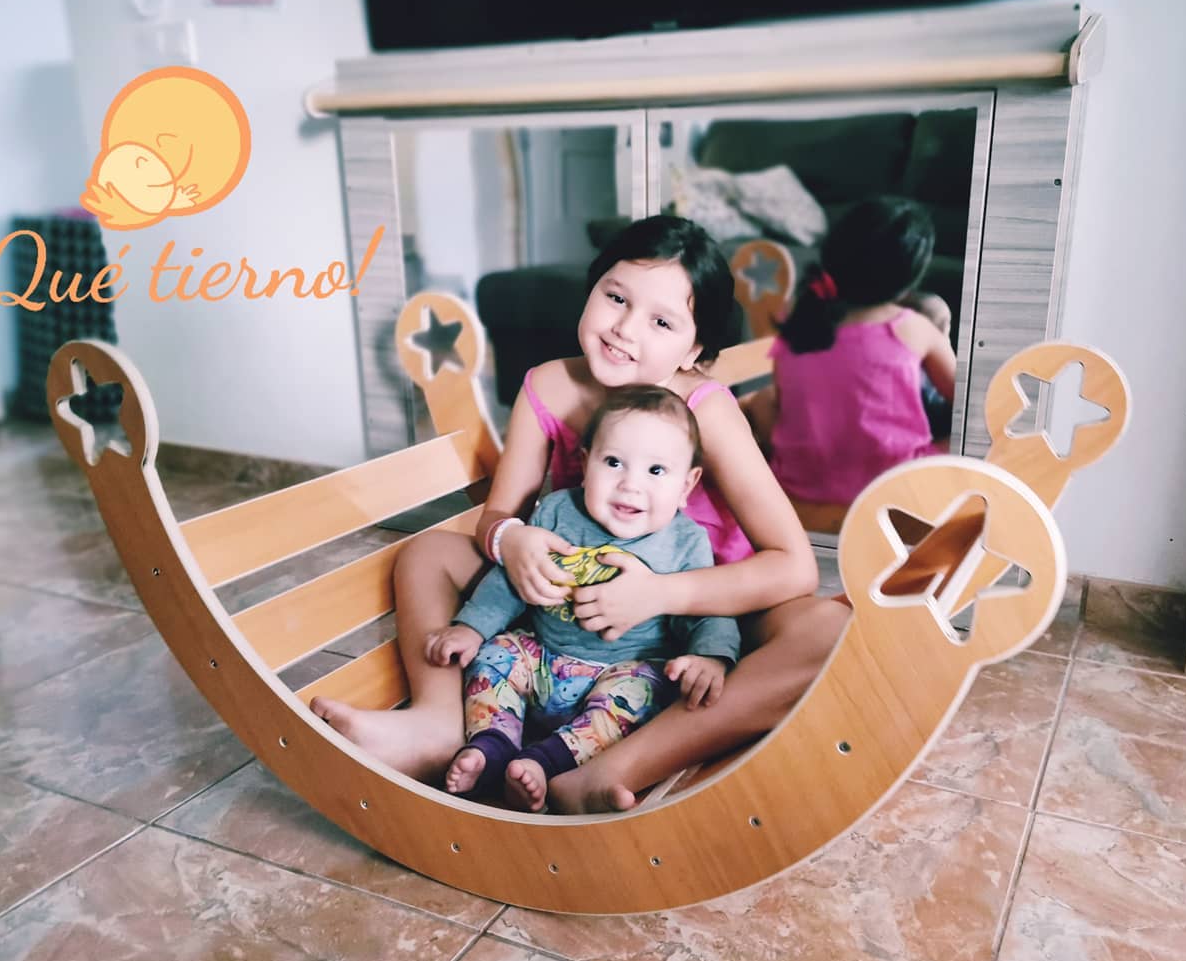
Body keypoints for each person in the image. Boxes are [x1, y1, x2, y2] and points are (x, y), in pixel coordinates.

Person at [311, 215, 848, 813]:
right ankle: (436, 723)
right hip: (570, 613)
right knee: (428, 553)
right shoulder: (548, 386)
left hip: (702, 617)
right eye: (616, 297)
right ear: (592, 289)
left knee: (829, 633)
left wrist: (659, 595)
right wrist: (511, 540)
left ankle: (613, 768)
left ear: (694, 349)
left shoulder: (705, 410)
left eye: (662, 322)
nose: (625, 328)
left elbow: (795, 566)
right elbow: (500, 514)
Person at [430, 386, 740, 812]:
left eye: (656, 470)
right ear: (584, 463)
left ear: (687, 484)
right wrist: (471, 627)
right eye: (613, 462)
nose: (631, 485)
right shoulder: (557, 512)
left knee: (644, 692)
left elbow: (706, 608)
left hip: (621, 670)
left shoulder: (685, 542)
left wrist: (710, 656)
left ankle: (546, 763)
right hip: (542, 658)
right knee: (497, 654)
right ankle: (492, 746)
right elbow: (511, 581)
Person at [744, 198, 959, 503]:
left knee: (763, 398)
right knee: (971, 433)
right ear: (911, 276)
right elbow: (968, 404)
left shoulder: (799, 320)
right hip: (893, 488)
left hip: (801, 487)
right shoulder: (913, 328)